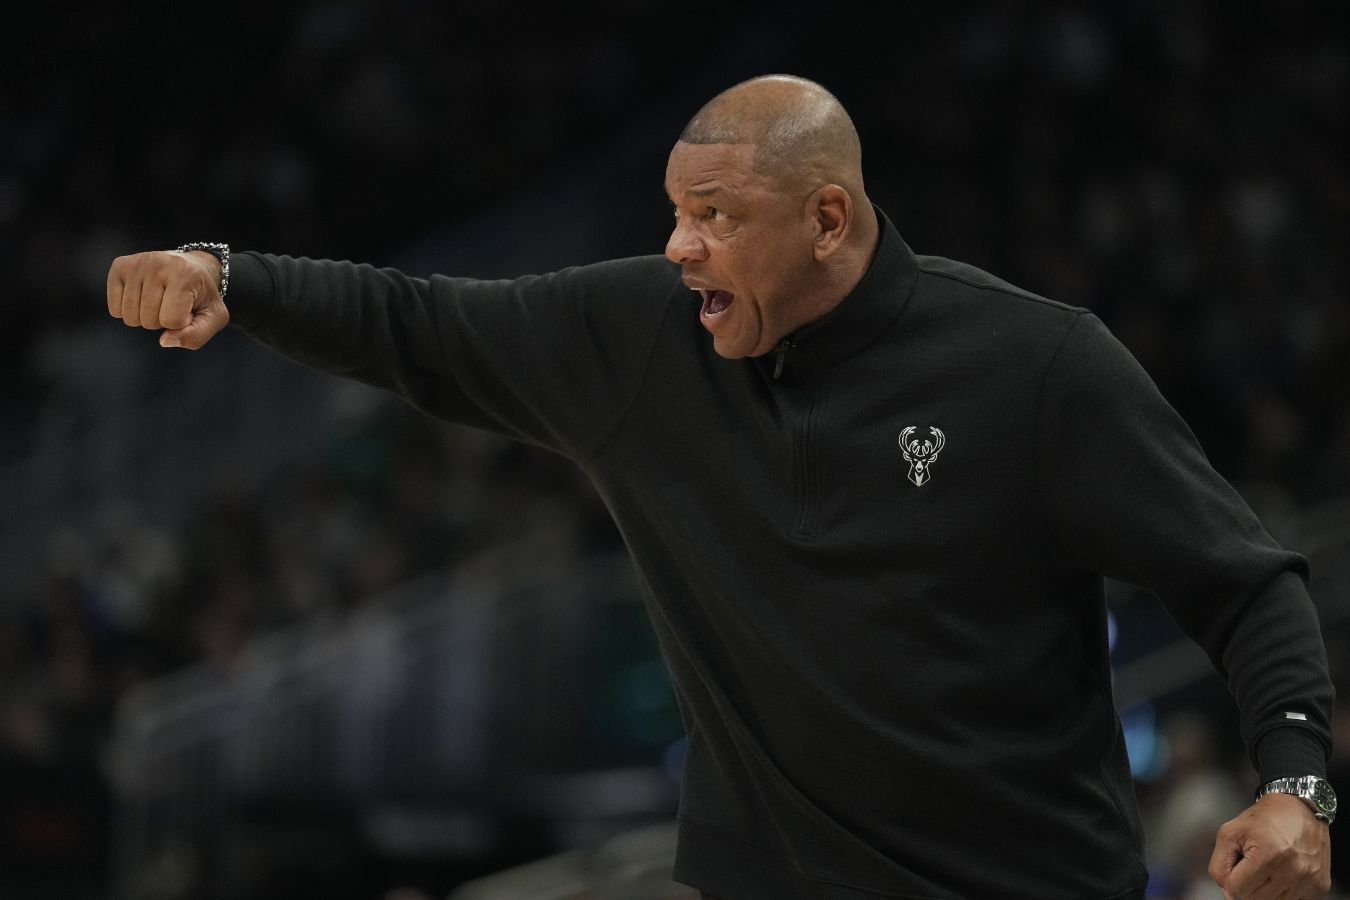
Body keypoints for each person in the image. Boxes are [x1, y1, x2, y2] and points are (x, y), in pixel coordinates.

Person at [105, 75, 1334, 900]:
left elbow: (1244, 584)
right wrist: (231, 274)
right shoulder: (646, 339)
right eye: (674, 211)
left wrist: (1295, 788)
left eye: (714, 215)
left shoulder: (1038, 366)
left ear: (827, 219)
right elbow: (415, 322)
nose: (678, 244)